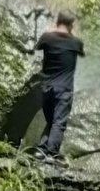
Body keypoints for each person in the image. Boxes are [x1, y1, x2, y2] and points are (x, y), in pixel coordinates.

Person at [33, 9, 84, 160]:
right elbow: (79, 50)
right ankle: (51, 153)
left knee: (51, 121)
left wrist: (52, 30)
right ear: (71, 25)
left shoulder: (47, 38)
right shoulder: (75, 42)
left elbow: (36, 47)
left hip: (47, 88)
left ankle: (41, 150)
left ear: (57, 21)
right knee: (58, 123)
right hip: (64, 89)